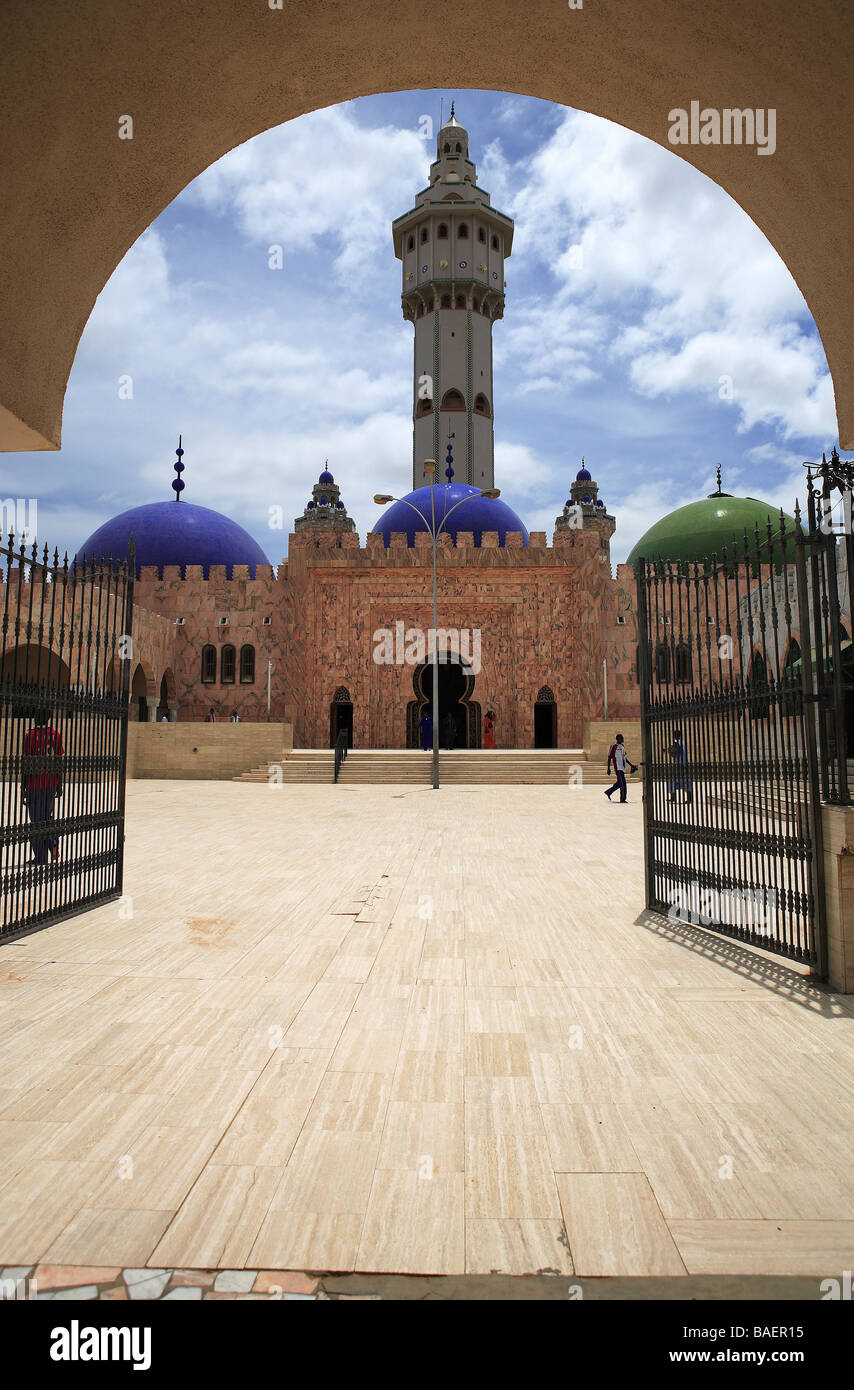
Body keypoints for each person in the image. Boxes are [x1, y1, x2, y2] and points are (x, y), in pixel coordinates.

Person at [21, 709, 65, 863]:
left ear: (35, 718)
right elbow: (59, 760)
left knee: (36, 821)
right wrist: (59, 783)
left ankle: (40, 856)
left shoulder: (30, 736)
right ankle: (53, 843)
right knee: (47, 816)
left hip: (35, 782)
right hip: (51, 782)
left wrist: (23, 788)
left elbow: (27, 763)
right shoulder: (55, 734)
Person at [605, 732, 636, 803]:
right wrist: (608, 768)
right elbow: (610, 757)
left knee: (620, 783)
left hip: (622, 768)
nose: (623, 739)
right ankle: (622, 799)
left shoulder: (622, 746)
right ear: (617, 739)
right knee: (623, 784)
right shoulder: (614, 746)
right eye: (621, 738)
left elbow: (625, 758)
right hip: (618, 768)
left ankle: (608, 792)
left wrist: (631, 765)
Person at [668, 728, 692, 803]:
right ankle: (689, 798)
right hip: (684, 764)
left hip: (678, 764)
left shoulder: (676, 743)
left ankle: (673, 797)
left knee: (672, 780)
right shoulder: (683, 743)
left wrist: (669, 751)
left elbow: (676, 752)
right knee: (686, 780)